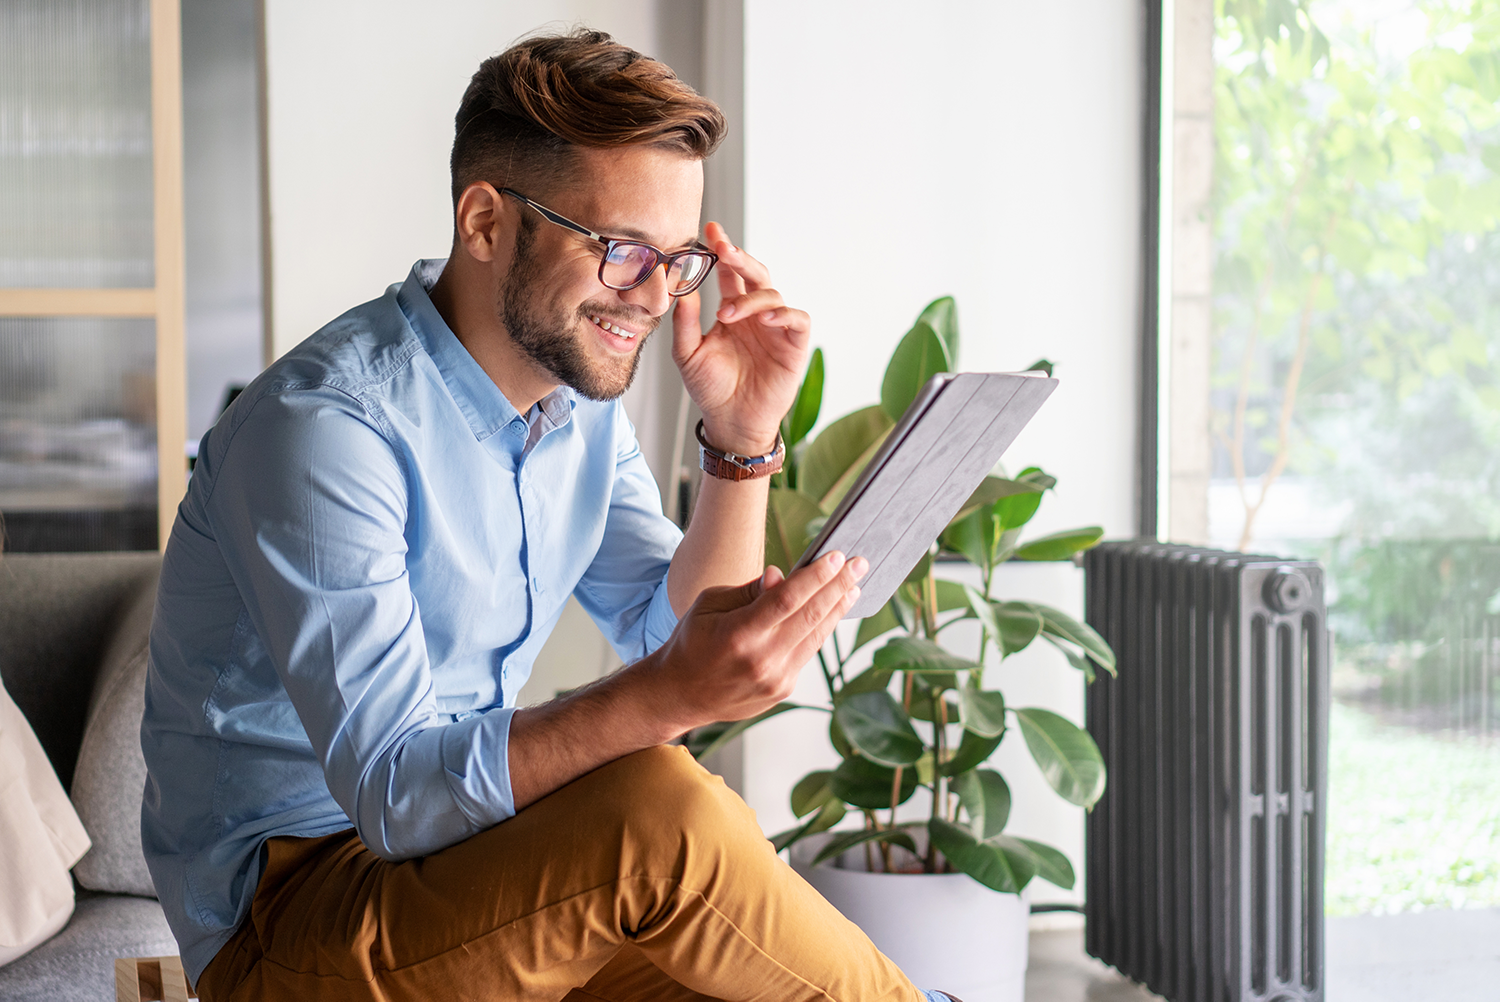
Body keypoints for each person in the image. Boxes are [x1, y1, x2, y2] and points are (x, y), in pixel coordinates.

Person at [142, 29, 957, 1002]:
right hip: (294, 915)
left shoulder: (577, 414)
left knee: (741, 960)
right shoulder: (325, 431)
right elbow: (397, 794)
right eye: (620, 251)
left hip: (470, 870)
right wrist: (674, 694)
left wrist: (740, 442)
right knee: (663, 811)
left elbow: (669, 625)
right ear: (485, 222)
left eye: (677, 258)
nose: (654, 297)